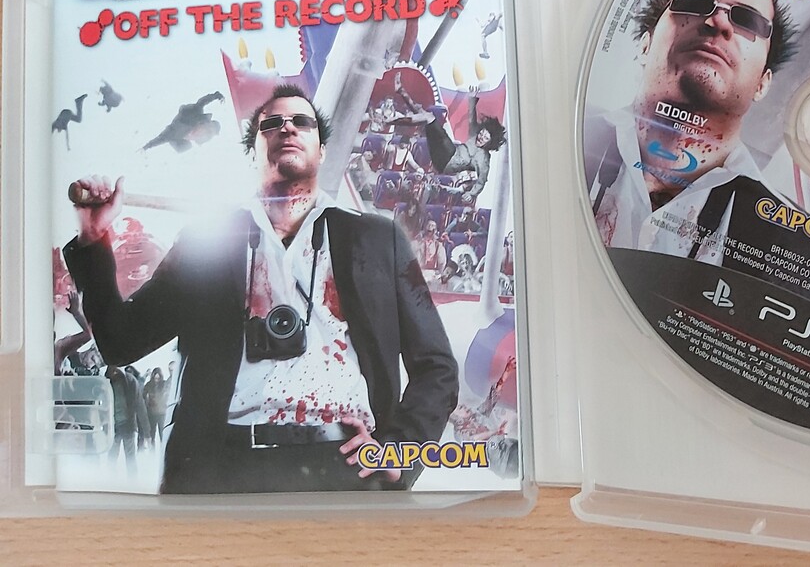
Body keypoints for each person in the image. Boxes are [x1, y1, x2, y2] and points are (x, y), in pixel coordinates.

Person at [65, 83, 458, 494]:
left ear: (322, 150)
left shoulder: (377, 240)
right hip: (221, 470)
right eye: (272, 124)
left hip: (346, 467)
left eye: (302, 122)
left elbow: (437, 367)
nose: (287, 128)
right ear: (252, 151)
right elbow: (121, 342)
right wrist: (93, 238)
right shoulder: (206, 244)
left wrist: (400, 451)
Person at [583, 0, 810, 330]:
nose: (718, 21)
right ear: (645, 43)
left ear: (763, 83)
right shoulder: (545, 148)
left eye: (747, 20)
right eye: (694, 4)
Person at [395, 84, 506, 205]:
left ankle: (392, 118)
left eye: (485, 138)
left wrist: (471, 194)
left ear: (489, 143)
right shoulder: (474, 134)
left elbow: (481, 181)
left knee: (431, 119)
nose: (480, 138)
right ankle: (401, 92)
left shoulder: (483, 158)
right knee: (426, 117)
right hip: (440, 156)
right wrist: (472, 98)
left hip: (449, 160)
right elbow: (471, 117)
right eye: (482, 134)